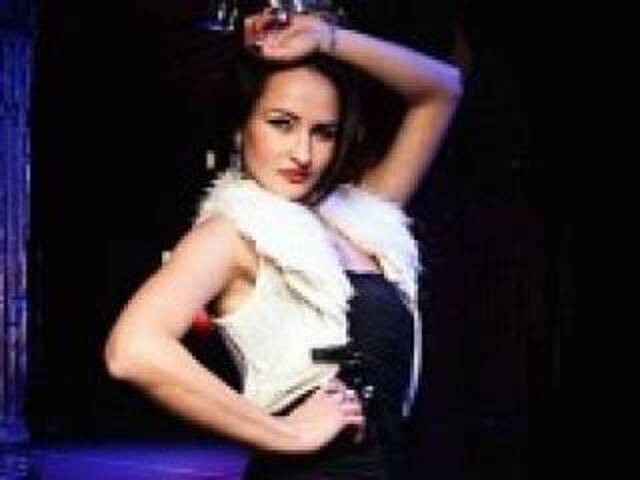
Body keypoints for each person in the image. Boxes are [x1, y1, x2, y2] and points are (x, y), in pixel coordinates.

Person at [104, 7, 462, 479]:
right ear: (241, 127)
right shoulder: (231, 232)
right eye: (282, 123)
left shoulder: (364, 217)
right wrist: (284, 433)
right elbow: (132, 350)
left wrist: (325, 38)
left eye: (324, 133)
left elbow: (442, 90)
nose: (303, 153)